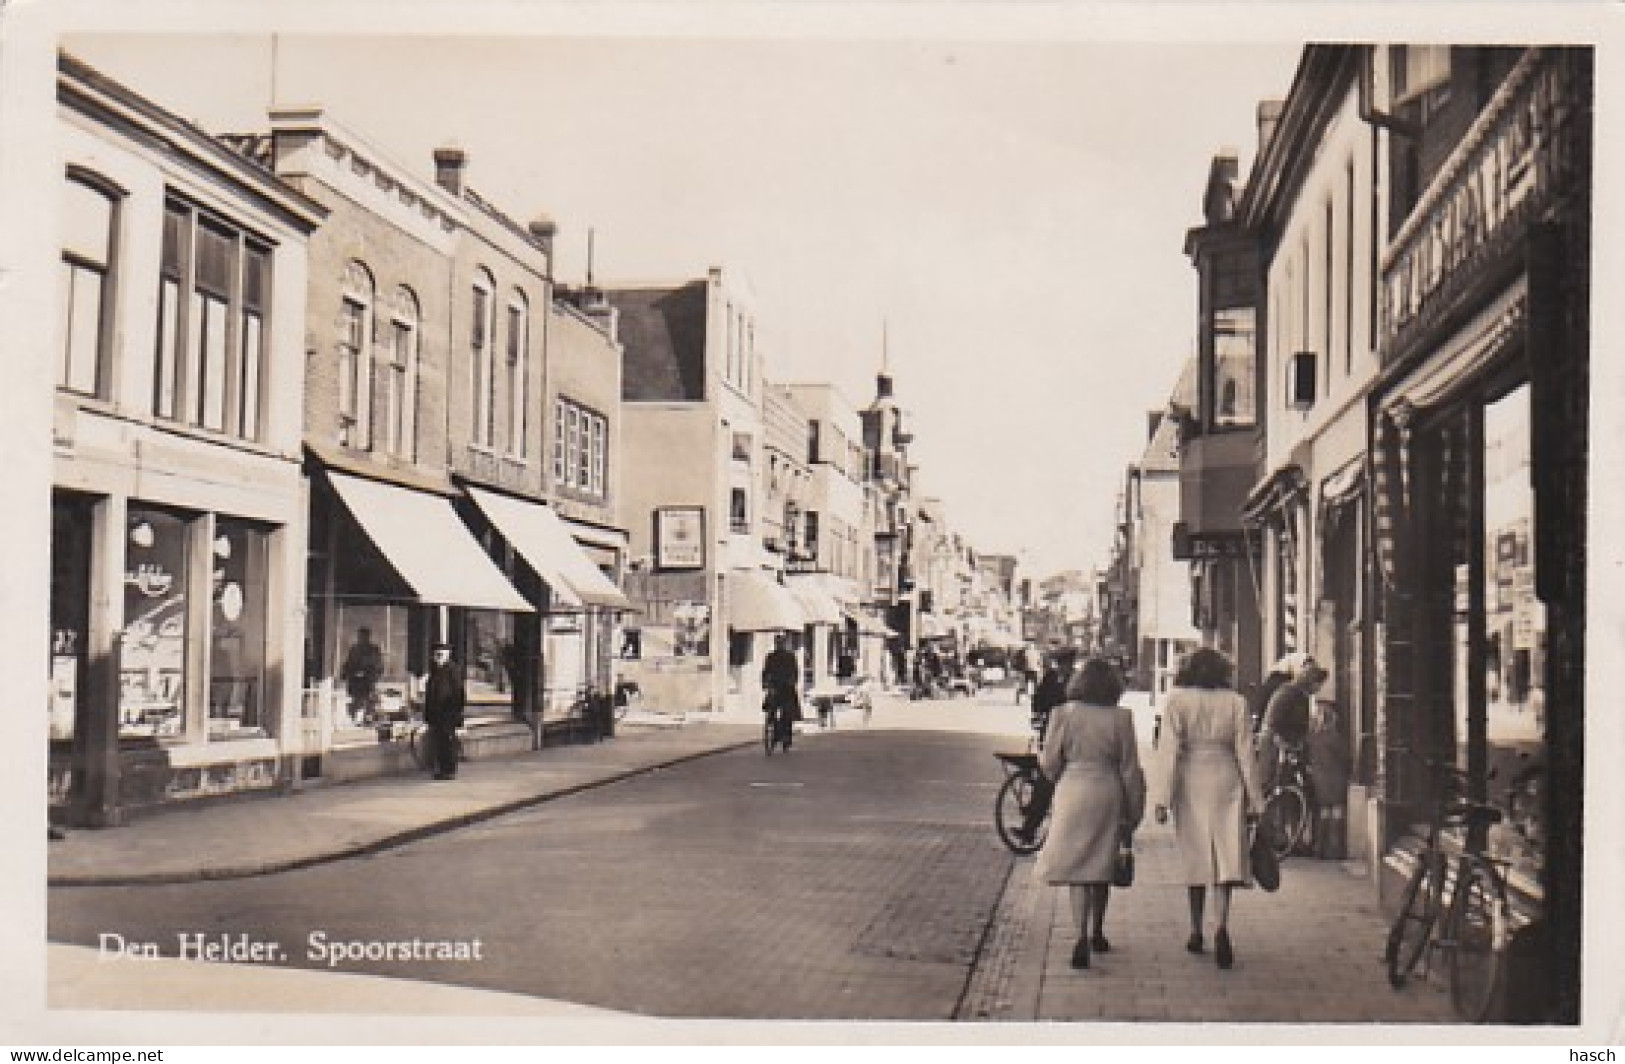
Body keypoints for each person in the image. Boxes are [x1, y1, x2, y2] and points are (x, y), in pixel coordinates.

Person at [1150, 647, 1263, 971]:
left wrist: (1161, 798)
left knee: (1196, 855)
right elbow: (1246, 754)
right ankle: (1222, 926)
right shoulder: (1236, 702)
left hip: (1191, 780)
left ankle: (1196, 929)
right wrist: (1256, 799)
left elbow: (1167, 751)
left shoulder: (1177, 701)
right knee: (1226, 854)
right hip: (1227, 779)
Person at [1034, 657, 1146, 970]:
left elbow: (1048, 762)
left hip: (1073, 790)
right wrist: (1133, 811)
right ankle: (1098, 930)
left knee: (1078, 867)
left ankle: (1079, 933)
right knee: (1101, 862)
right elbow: (1130, 768)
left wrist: (1059, 777)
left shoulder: (1063, 714)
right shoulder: (1121, 718)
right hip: (1107, 791)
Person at [1013, 648, 1078, 845]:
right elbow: (1038, 700)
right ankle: (1030, 829)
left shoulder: (1076, 682)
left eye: (1065, 663)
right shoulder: (1055, 678)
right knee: (1045, 781)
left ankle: (1035, 829)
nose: (1062, 667)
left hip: (1070, 739)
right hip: (1051, 736)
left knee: (1047, 783)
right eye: (1061, 663)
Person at [1256, 655, 1327, 793]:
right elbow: (1278, 721)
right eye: (1318, 684)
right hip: (1276, 744)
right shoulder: (1293, 694)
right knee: (1273, 783)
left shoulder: (1292, 692)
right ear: (1310, 682)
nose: (1319, 689)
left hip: (1277, 741)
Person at [1305, 702, 1352, 859]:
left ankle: (1320, 849)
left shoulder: (1313, 738)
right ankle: (1336, 850)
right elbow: (1346, 757)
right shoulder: (1335, 737)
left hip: (1319, 779)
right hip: (1336, 777)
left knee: (1323, 812)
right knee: (1337, 812)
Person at [423, 641, 465, 781]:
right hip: (437, 715)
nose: (437, 658)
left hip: (447, 714)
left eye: (440, 655)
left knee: (447, 742)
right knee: (441, 742)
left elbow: (458, 694)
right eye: (435, 655)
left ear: (447, 656)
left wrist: (456, 715)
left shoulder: (452, 671)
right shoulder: (436, 671)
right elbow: (431, 694)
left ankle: (448, 770)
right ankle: (443, 769)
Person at [761, 633, 802, 748]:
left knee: (787, 712)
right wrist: (765, 683)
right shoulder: (771, 657)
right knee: (771, 708)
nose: (779, 645)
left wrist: (792, 681)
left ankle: (786, 735)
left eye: (781, 643)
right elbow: (765, 671)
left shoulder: (790, 656)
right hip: (775, 687)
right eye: (777, 643)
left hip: (787, 688)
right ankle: (772, 726)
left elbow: (795, 672)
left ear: (784, 644)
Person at [342, 627, 383, 725]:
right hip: (355, 680)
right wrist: (347, 672)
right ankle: (354, 717)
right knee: (357, 699)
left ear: (368, 637)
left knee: (369, 698)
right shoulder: (354, 649)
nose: (362, 638)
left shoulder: (373, 649)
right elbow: (349, 663)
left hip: (368, 679)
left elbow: (377, 664)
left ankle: (368, 717)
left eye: (365, 636)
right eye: (360, 636)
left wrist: (371, 673)